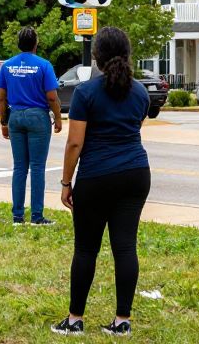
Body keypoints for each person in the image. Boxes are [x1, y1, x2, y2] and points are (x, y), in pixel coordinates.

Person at [52, 27, 151, 337]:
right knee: (125, 247)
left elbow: (75, 143)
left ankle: (75, 320)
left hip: (96, 176)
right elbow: (133, 127)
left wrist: (66, 182)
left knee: (85, 249)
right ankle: (122, 321)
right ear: (127, 54)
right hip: (136, 173)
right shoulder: (141, 93)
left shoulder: (85, 93)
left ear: (96, 56)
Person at [0, 26, 62, 226]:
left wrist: (4, 122)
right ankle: (36, 216)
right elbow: (52, 97)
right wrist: (58, 118)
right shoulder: (44, 65)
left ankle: (17, 216)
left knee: (19, 167)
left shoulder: (7, 66)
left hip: (15, 117)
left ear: (18, 44)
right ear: (36, 43)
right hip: (38, 117)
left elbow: (1, 98)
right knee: (37, 167)